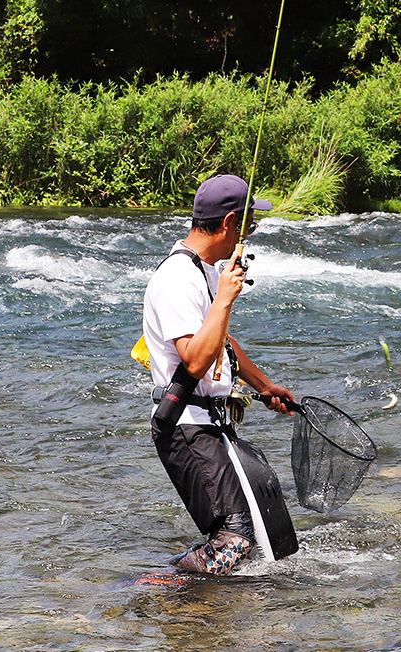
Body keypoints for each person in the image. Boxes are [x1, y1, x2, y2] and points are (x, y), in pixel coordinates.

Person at [142, 174, 296, 575]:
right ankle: (157, 585)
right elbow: (194, 359)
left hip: (209, 423)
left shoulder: (205, 270)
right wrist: (226, 297)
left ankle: (193, 587)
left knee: (263, 539)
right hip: (185, 426)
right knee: (235, 542)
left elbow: (220, 339)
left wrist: (264, 387)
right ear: (229, 223)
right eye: (250, 225)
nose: (251, 234)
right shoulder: (177, 278)